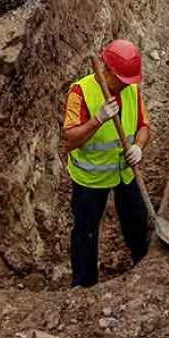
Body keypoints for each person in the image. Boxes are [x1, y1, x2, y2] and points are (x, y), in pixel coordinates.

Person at [63, 39, 151, 288]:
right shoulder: (80, 92)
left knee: (136, 222)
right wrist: (97, 120)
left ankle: (144, 267)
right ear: (105, 70)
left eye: (128, 81)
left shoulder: (131, 89)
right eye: (121, 80)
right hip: (90, 179)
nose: (125, 86)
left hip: (125, 172)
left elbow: (144, 126)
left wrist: (138, 148)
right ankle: (83, 286)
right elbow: (69, 140)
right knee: (85, 234)